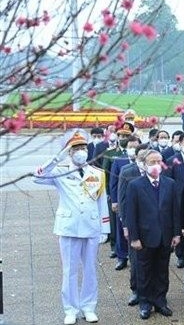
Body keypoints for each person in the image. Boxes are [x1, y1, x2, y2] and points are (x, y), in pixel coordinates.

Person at [34, 130, 110, 325]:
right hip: (69, 227)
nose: (81, 151)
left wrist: (105, 229)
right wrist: (58, 157)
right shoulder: (60, 171)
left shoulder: (97, 173)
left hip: (91, 226)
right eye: (76, 148)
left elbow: (102, 202)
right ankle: (70, 309)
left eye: (83, 147)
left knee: (90, 269)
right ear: (69, 151)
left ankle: (88, 307)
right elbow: (38, 176)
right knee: (70, 270)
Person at [125, 150, 181, 320]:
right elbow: (131, 214)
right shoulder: (135, 185)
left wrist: (176, 234)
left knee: (162, 271)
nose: (156, 165)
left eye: (159, 161)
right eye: (152, 162)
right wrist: (134, 238)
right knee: (144, 271)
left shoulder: (170, 183)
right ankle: (145, 303)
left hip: (165, 236)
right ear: (145, 164)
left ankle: (160, 301)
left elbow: (175, 211)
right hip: (144, 238)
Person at [117, 147, 148, 307]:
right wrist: (125, 225)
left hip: (152, 223)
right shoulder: (127, 171)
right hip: (133, 223)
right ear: (136, 158)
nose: (145, 161)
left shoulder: (158, 170)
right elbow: (122, 200)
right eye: (142, 158)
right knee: (135, 260)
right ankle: (136, 290)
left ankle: (153, 293)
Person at [164, 132, 184, 270]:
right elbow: (167, 182)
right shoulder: (172, 161)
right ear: (180, 144)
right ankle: (181, 255)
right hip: (178, 199)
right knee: (180, 226)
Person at [109, 135, 141, 271]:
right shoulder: (119, 161)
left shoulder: (146, 162)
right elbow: (114, 183)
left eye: (135, 147)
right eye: (130, 147)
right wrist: (115, 201)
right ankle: (121, 257)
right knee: (122, 229)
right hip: (124, 201)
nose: (133, 149)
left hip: (140, 203)